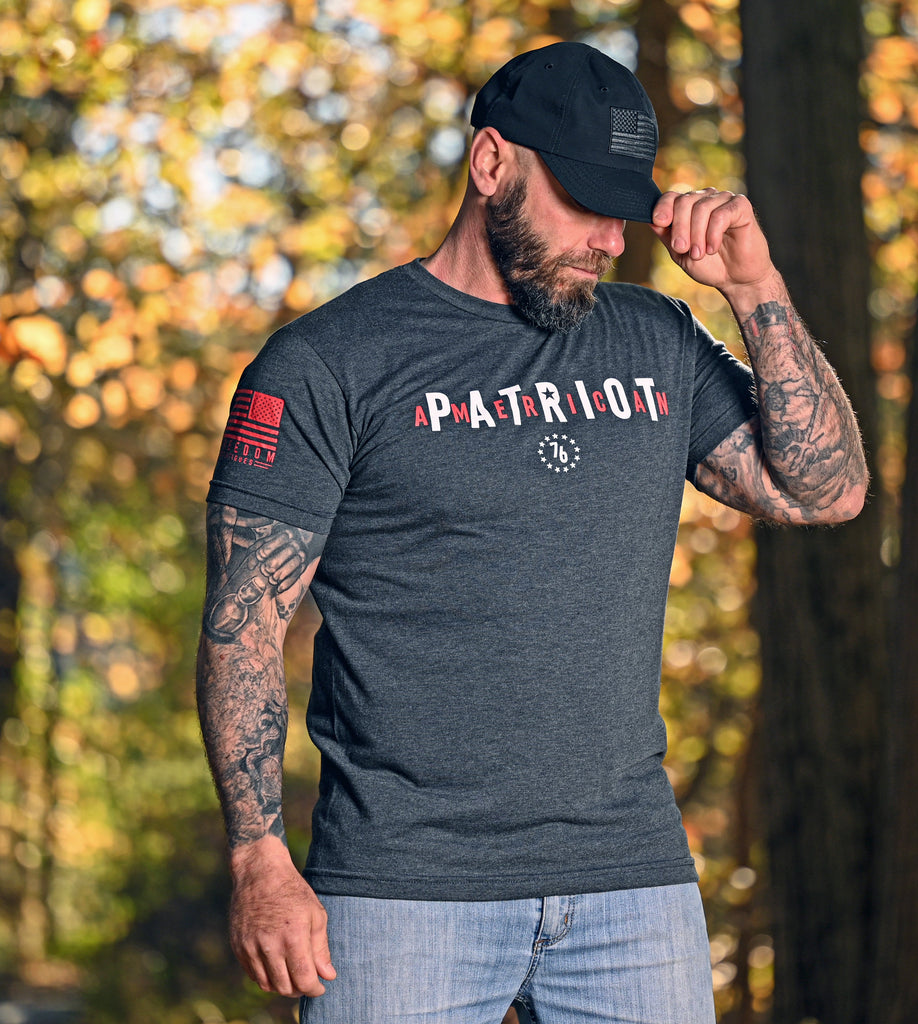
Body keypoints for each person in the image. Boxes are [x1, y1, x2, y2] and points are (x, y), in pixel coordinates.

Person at [196, 40, 867, 1024]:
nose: (608, 240)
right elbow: (243, 625)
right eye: (583, 202)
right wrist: (258, 857)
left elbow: (827, 491)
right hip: (400, 891)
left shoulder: (657, 341)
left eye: (621, 210)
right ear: (491, 163)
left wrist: (755, 289)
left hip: (632, 888)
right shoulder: (328, 363)